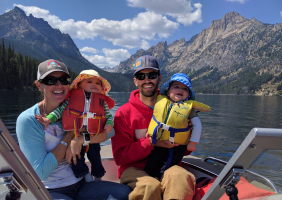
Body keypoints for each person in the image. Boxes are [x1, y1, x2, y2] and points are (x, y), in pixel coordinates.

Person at [16, 59, 131, 200]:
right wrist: (69, 138)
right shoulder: (29, 120)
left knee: (126, 194)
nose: (59, 85)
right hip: (51, 190)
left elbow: (108, 133)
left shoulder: (78, 106)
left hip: (82, 183)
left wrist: (81, 139)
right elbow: (41, 172)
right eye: (50, 80)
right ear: (39, 85)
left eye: (64, 80)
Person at [111, 55, 195, 200]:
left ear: (159, 78)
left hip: (167, 165)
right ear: (135, 81)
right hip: (134, 169)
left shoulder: (176, 107)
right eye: (141, 76)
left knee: (181, 177)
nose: (147, 80)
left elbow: (185, 151)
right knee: (149, 186)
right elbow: (120, 158)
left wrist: (186, 133)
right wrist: (150, 143)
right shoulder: (123, 113)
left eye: (152, 75)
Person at [36, 69, 114, 181]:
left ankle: (98, 176)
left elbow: (108, 115)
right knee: (76, 158)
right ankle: (85, 176)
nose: (94, 85)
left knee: (95, 157)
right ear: (79, 84)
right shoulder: (71, 98)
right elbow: (59, 111)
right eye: (89, 81)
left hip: (93, 137)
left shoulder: (102, 101)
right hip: (75, 135)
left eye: (98, 83)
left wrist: (109, 123)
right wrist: (48, 119)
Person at [144, 73, 211, 179]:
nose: (181, 90)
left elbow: (197, 125)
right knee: (152, 163)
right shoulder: (161, 101)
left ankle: (164, 183)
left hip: (177, 147)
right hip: (158, 143)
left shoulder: (189, 109)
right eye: (176, 87)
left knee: (169, 168)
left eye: (185, 88)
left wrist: (193, 143)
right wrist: (149, 131)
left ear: (188, 94)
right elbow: (153, 117)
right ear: (168, 90)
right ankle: (151, 180)